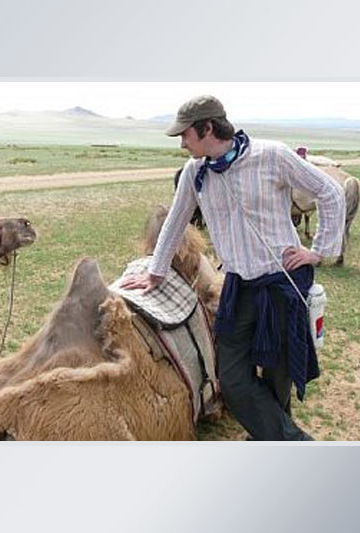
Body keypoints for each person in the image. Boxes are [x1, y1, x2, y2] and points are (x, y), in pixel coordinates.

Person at [120, 95, 345, 440]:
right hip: (237, 284)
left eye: (185, 135)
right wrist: (155, 272)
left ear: (207, 128)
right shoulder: (195, 173)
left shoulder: (271, 155)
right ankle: (295, 442)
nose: (182, 143)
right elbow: (175, 222)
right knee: (233, 378)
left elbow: (330, 192)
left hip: (282, 282)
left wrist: (319, 251)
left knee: (276, 374)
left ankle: (268, 439)